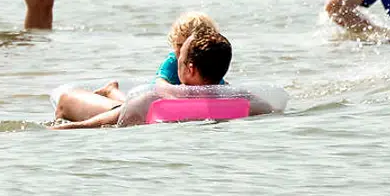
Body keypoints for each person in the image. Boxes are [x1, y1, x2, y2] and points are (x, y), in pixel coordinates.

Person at [51, 30, 246, 130]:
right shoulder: (240, 101)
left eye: (181, 57)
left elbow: (95, 125)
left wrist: (54, 131)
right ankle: (111, 91)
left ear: (191, 68)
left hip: (131, 114)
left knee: (67, 99)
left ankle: (111, 91)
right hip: (139, 112)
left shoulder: (154, 100)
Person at [154, 12, 219, 84]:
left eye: (191, 47)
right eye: (179, 45)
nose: (183, 51)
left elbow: (219, 83)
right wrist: (181, 89)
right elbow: (159, 83)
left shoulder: (208, 63)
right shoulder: (172, 62)